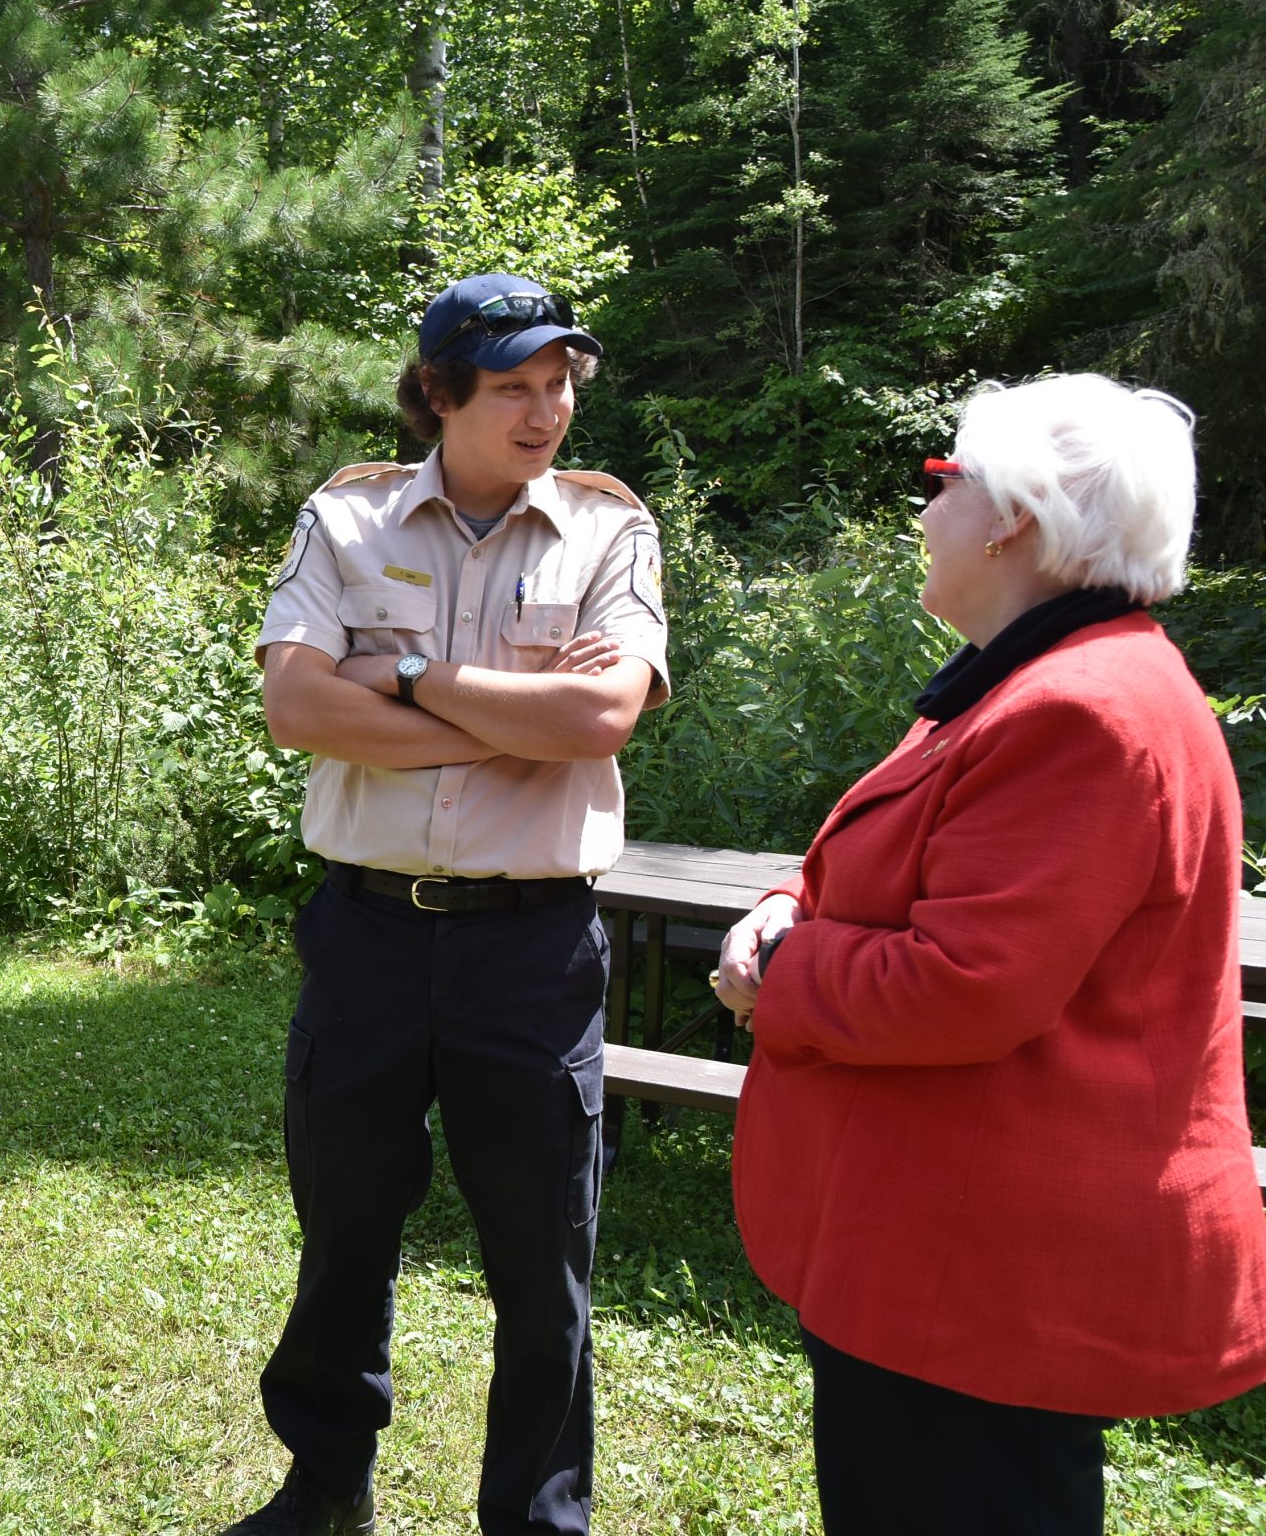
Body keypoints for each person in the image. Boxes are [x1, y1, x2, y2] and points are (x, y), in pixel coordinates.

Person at [712, 375, 1266, 1536]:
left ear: (1010, 515)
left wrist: (775, 973)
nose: (926, 515)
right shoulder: (1029, 677)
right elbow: (872, 866)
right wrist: (781, 906)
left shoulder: (1080, 708)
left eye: (942, 483)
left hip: (977, 1282)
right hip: (947, 1261)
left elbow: (961, 985)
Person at [229, 274, 669, 1536]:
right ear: (439, 394)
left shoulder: (607, 530)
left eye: (561, 384)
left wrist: (410, 675)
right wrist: (507, 732)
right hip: (366, 931)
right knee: (345, 1229)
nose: (549, 412)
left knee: (544, 1259)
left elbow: (600, 718)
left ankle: (535, 1518)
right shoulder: (347, 518)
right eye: (517, 387)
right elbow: (296, 710)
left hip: (530, 947)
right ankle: (323, 1486)